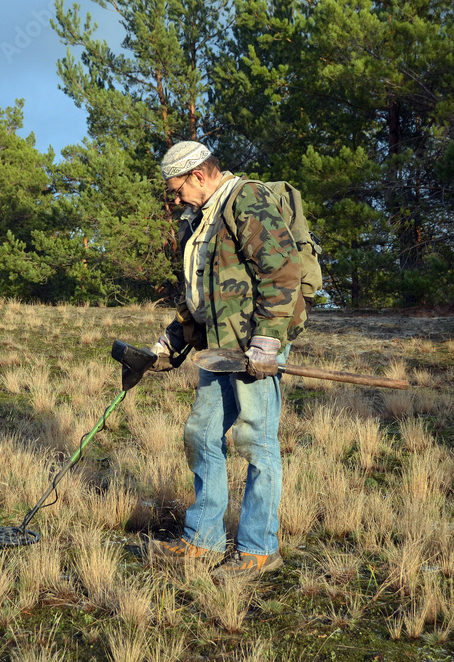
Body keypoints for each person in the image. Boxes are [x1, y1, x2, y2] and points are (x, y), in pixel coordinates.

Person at [148, 140, 306, 581]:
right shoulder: (200, 219)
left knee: (256, 440)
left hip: (254, 346)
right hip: (218, 349)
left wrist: (268, 341)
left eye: (177, 189)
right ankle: (204, 539)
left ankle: (258, 548)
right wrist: (170, 341)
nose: (175, 198)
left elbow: (282, 270)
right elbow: (203, 296)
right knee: (201, 434)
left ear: (198, 175)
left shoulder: (246, 200)